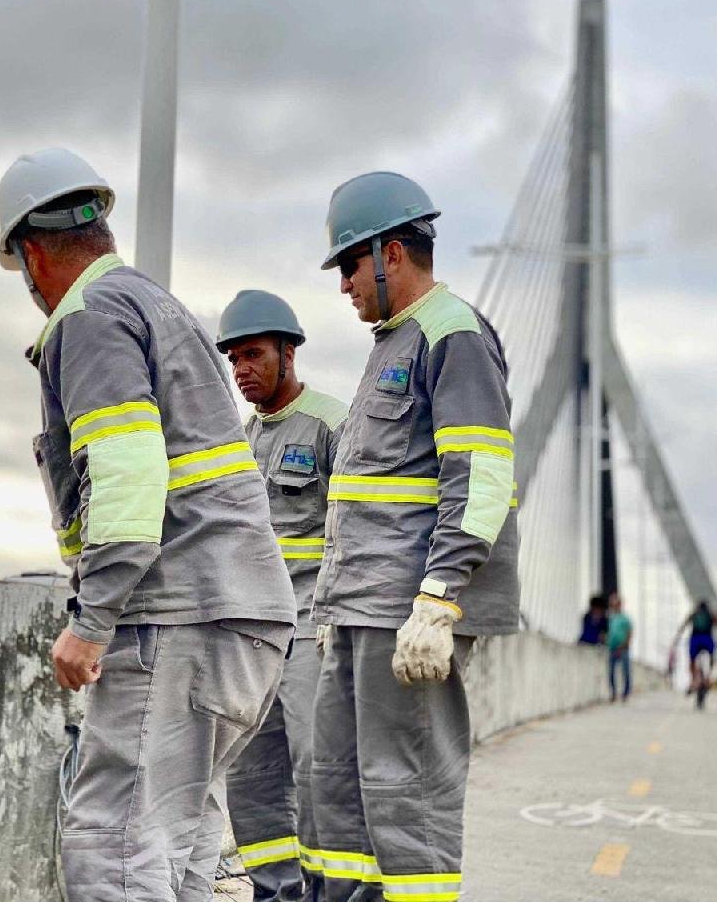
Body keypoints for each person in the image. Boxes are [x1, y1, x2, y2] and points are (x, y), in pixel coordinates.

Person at [0, 148, 297, 901]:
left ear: (31, 255)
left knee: (115, 849)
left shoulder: (92, 318)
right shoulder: (160, 308)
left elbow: (129, 477)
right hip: (245, 616)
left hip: (176, 616)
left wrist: (91, 622)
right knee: (183, 846)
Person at [307, 172, 519, 902]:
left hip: (406, 612)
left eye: (348, 267)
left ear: (391, 253)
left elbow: (481, 476)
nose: (344, 288)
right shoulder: (391, 344)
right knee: (338, 801)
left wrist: (438, 600)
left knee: (407, 800)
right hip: (356, 607)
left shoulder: (452, 334)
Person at [216, 290, 348, 902]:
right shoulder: (242, 439)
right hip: (254, 635)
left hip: (312, 629)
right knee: (250, 773)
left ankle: (327, 889)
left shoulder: (331, 425)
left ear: (288, 352)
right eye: (234, 359)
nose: (242, 369)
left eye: (253, 355)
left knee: (316, 769)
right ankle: (275, 890)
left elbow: (358, 527)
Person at [673, 600, 717, 697]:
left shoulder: (694, 614)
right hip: (707, 639)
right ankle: (708, 678)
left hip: (695, 640)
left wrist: (677, 639)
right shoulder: (711, 614)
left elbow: (684, 626)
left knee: (692, 660)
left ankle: (693, 681)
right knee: (712, 658)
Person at [606, 592, 633, 702]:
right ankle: (613, 693)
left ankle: (626, 693)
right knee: (611, 672)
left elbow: (629, 632)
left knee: (625, 671)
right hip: (612, 647)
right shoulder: (610, 618)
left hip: (623, 648)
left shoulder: (625, 619)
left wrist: (624, 644)